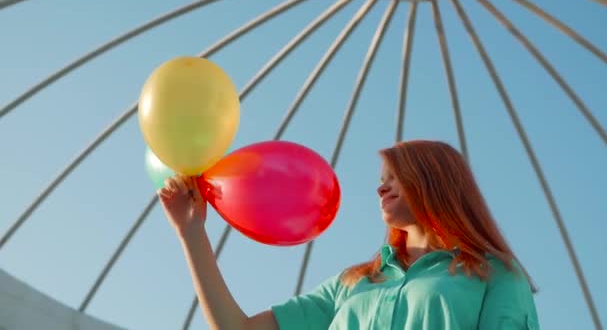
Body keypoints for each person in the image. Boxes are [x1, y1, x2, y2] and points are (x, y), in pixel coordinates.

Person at [158, 140, 540, 329]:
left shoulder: (494, 274)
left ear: (434, 182)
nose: (381, 189)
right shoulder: (352, 283)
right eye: (381, 180)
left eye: (395, 178)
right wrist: (191, 232)